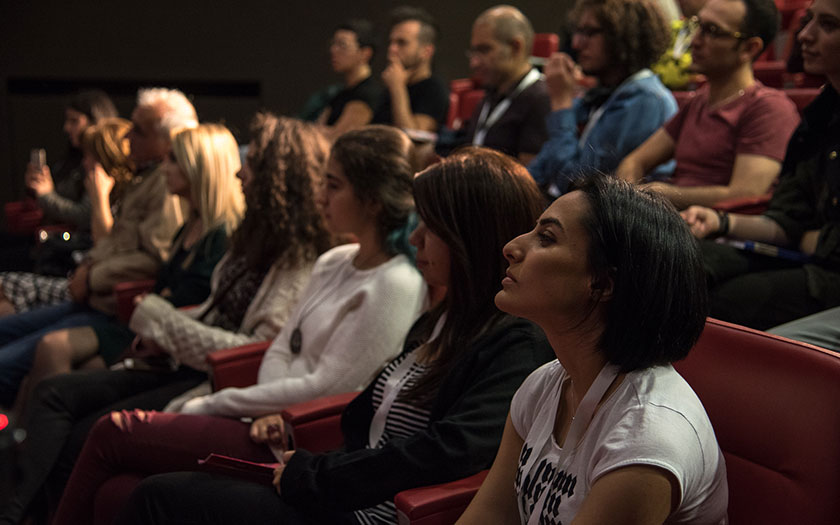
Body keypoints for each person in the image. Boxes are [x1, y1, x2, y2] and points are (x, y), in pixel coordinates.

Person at [54, 147, 555, 525]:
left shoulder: (514, 342)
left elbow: (449, 450)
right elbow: (370, 417)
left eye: (431, 226)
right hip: (334, 479)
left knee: (152, 493)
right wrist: (299, 441)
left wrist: (317, 472)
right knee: (123, 485)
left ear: (470, 236)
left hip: (364, 511)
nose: (416, 237)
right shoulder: (443, 318)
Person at [0, 125, 425, 524]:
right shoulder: (333, 260)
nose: (321, 195)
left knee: (113, 431)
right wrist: (258, 399)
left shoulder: (394, 284)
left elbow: (327, 388)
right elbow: (278, 349)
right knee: (118, 486)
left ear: (371, 200)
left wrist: (222, 402)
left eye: (333, 186)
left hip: (294, 437)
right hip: (258, 407)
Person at [457, 175, 727, 524]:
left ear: (601, 284)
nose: (512, 246)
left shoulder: (647, 437)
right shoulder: (544, 385)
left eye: (546, 237)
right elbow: (492, 513)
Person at [15, 123, 245, 410]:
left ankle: (25, 443)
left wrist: (108, 285)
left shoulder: (221, 238)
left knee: (53, 354)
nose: (164, 169)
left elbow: (193, 302)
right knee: (38, 373)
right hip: (141, 324)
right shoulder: (188, 226)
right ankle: (19, 442)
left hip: (166, 342)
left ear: (200, 168)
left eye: (173, 160)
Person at [679, 0, 840, 330]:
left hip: (831, 274)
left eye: (827, 25)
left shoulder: (769, 107)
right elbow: (788, 222)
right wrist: (721, 221)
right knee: (679, 261)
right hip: (807, 258)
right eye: (808, 21)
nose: (804, 35)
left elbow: (818, 241)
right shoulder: (822, 115)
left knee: (720, 302)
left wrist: (815, 237)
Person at [0, 87, 195, 317]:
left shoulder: (163, 186)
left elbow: (103, 232)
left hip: (99, 290)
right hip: (86, 273)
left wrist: (52, 196)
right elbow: (114, 243)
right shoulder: (140, 180)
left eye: (139, 131)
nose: (128, 137)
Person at [617, 0, 801, 209]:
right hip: (674, 225)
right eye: (697, 26)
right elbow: (635, 161)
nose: (695, 40)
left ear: (750, 48)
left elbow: (745, 193)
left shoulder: (769, 109)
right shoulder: (699, 101)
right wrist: (629, 202)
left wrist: (660, 193)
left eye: (712, 31)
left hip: (720, 233)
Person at [528, 0, 678, 196]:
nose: (576, 44)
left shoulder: (646, 101)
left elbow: (577, 187)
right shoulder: (600, 94)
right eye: (577, 32)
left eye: (590, 33)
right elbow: (538, 171)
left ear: (623, 35)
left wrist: (561, 105)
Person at [0, 90, 119, 274]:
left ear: (95, 120)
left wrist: (46, 195)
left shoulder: (100, 165)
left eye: (74, 121)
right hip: (53, 237)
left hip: (71, 244)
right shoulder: (72, 160)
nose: (66, 128)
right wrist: (36, 190)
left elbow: (84, 215)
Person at [463, 5, 550, 163]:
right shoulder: (491, 94)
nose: (474, 63)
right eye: (473, 51)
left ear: (516, 47)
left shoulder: (540, 99)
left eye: (484, 50)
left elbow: (528, 182)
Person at [371, 6, 450, 132]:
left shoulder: (433, 89)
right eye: (391, 42)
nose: (392, 49)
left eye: (401, 43)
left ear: (426, 51)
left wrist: (398, 89)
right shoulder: (389, 89)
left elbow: (415, 137)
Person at [316, 19, 384, 140]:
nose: (333, 50)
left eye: (342, 45)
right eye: (333, 44)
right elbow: (317, 130)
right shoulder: (340, 94)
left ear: (365, 53)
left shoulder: (367, 94)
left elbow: (338, 139)